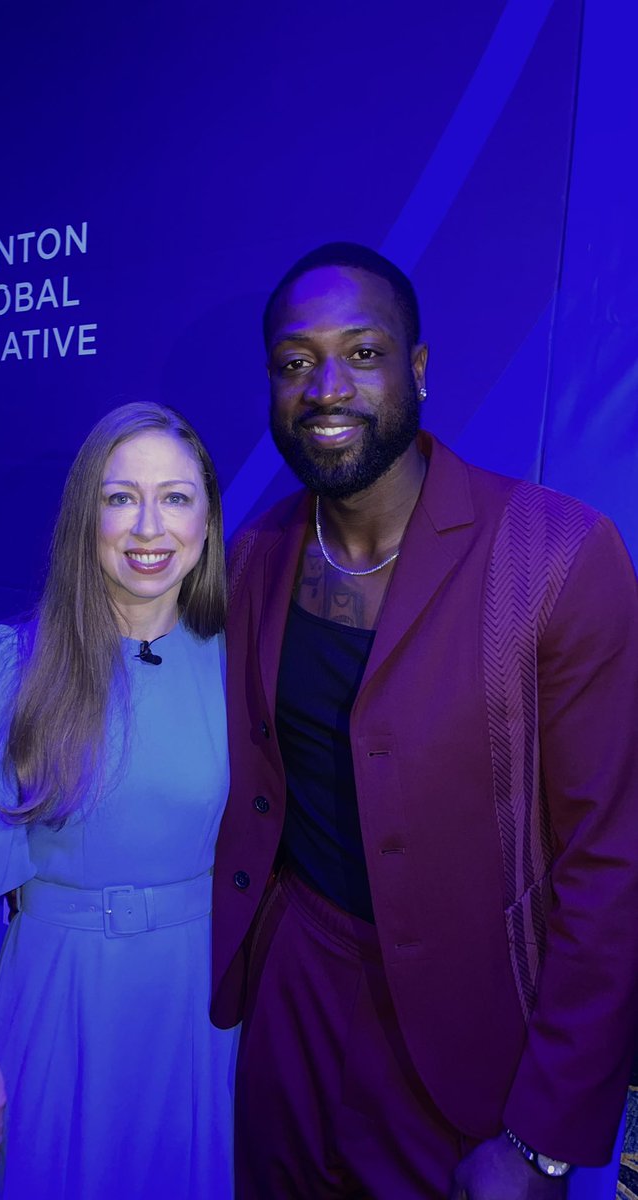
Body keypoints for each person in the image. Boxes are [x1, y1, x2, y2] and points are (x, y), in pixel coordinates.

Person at [211, 243, 638, 1199]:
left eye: (362, 353)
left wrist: (543, 1141)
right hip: (294, 1009)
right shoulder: (259, 556)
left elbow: (613, 867)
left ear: (418, 369)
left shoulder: (559, 556)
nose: (326, 387)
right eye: (294, 362)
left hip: (474, 1051)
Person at [0, 402, 238, 1199]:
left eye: (177, 497)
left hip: (199, 1006)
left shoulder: (245, 664)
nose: (150, 526)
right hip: (59, 996)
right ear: (87, 516)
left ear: (208, 520)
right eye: (121, 497)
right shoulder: (9, 665)